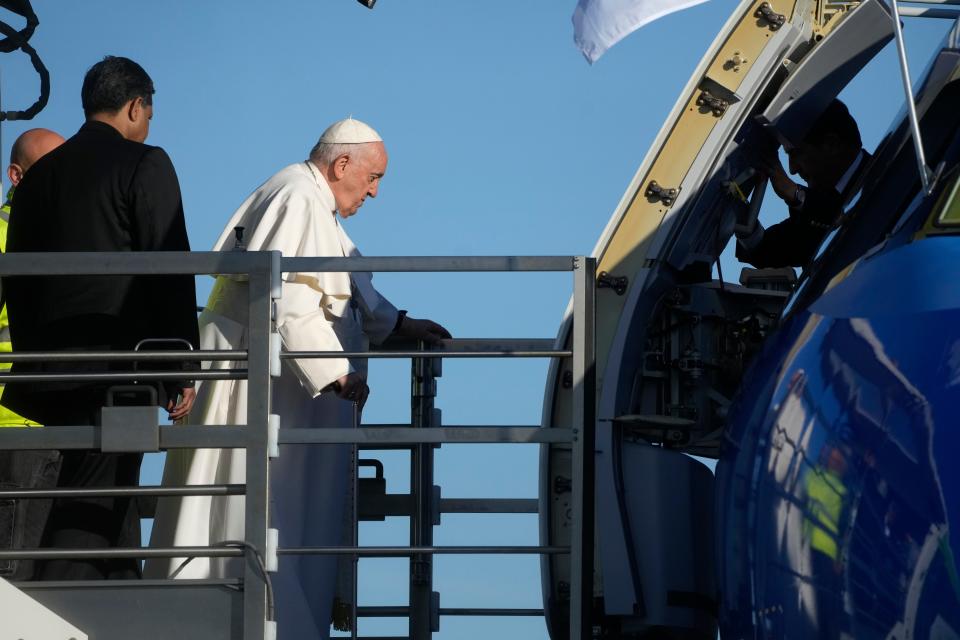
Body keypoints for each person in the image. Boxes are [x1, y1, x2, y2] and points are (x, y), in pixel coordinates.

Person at [147, 117, 450, 639]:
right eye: (373, 177)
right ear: (341, 165)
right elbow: (284, 294)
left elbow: (347, 284)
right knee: (255, 516)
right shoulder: (297, 196)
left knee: (291, 524)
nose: (375, 191)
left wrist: (399, 325)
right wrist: (335, 374)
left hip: (294, 407)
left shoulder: (313, 202)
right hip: (266, 402)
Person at [3, 56, 200, 580]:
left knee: (110, 499)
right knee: (97, 499)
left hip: (43, 376)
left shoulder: (38, 179)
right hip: (119, 374)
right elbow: (170, 267)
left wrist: (32, 357)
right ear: (135, 107)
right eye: (149, 115)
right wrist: (181, 365)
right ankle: (64, 611)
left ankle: (118, 597)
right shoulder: (145, 164)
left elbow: (17, 280)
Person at [0, 128, 65, 581]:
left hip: (40, 425)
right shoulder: (12, 236)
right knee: (17, 585)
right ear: (16, 176)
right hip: (17, 428)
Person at [736, 99, 870, 268]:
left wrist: (796, 194)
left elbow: (850, 221)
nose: (792, 169)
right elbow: (771, 250)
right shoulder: (817, 209)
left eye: (794, 153)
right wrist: (742, 219)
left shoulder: (888, 174)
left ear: (831, 144)